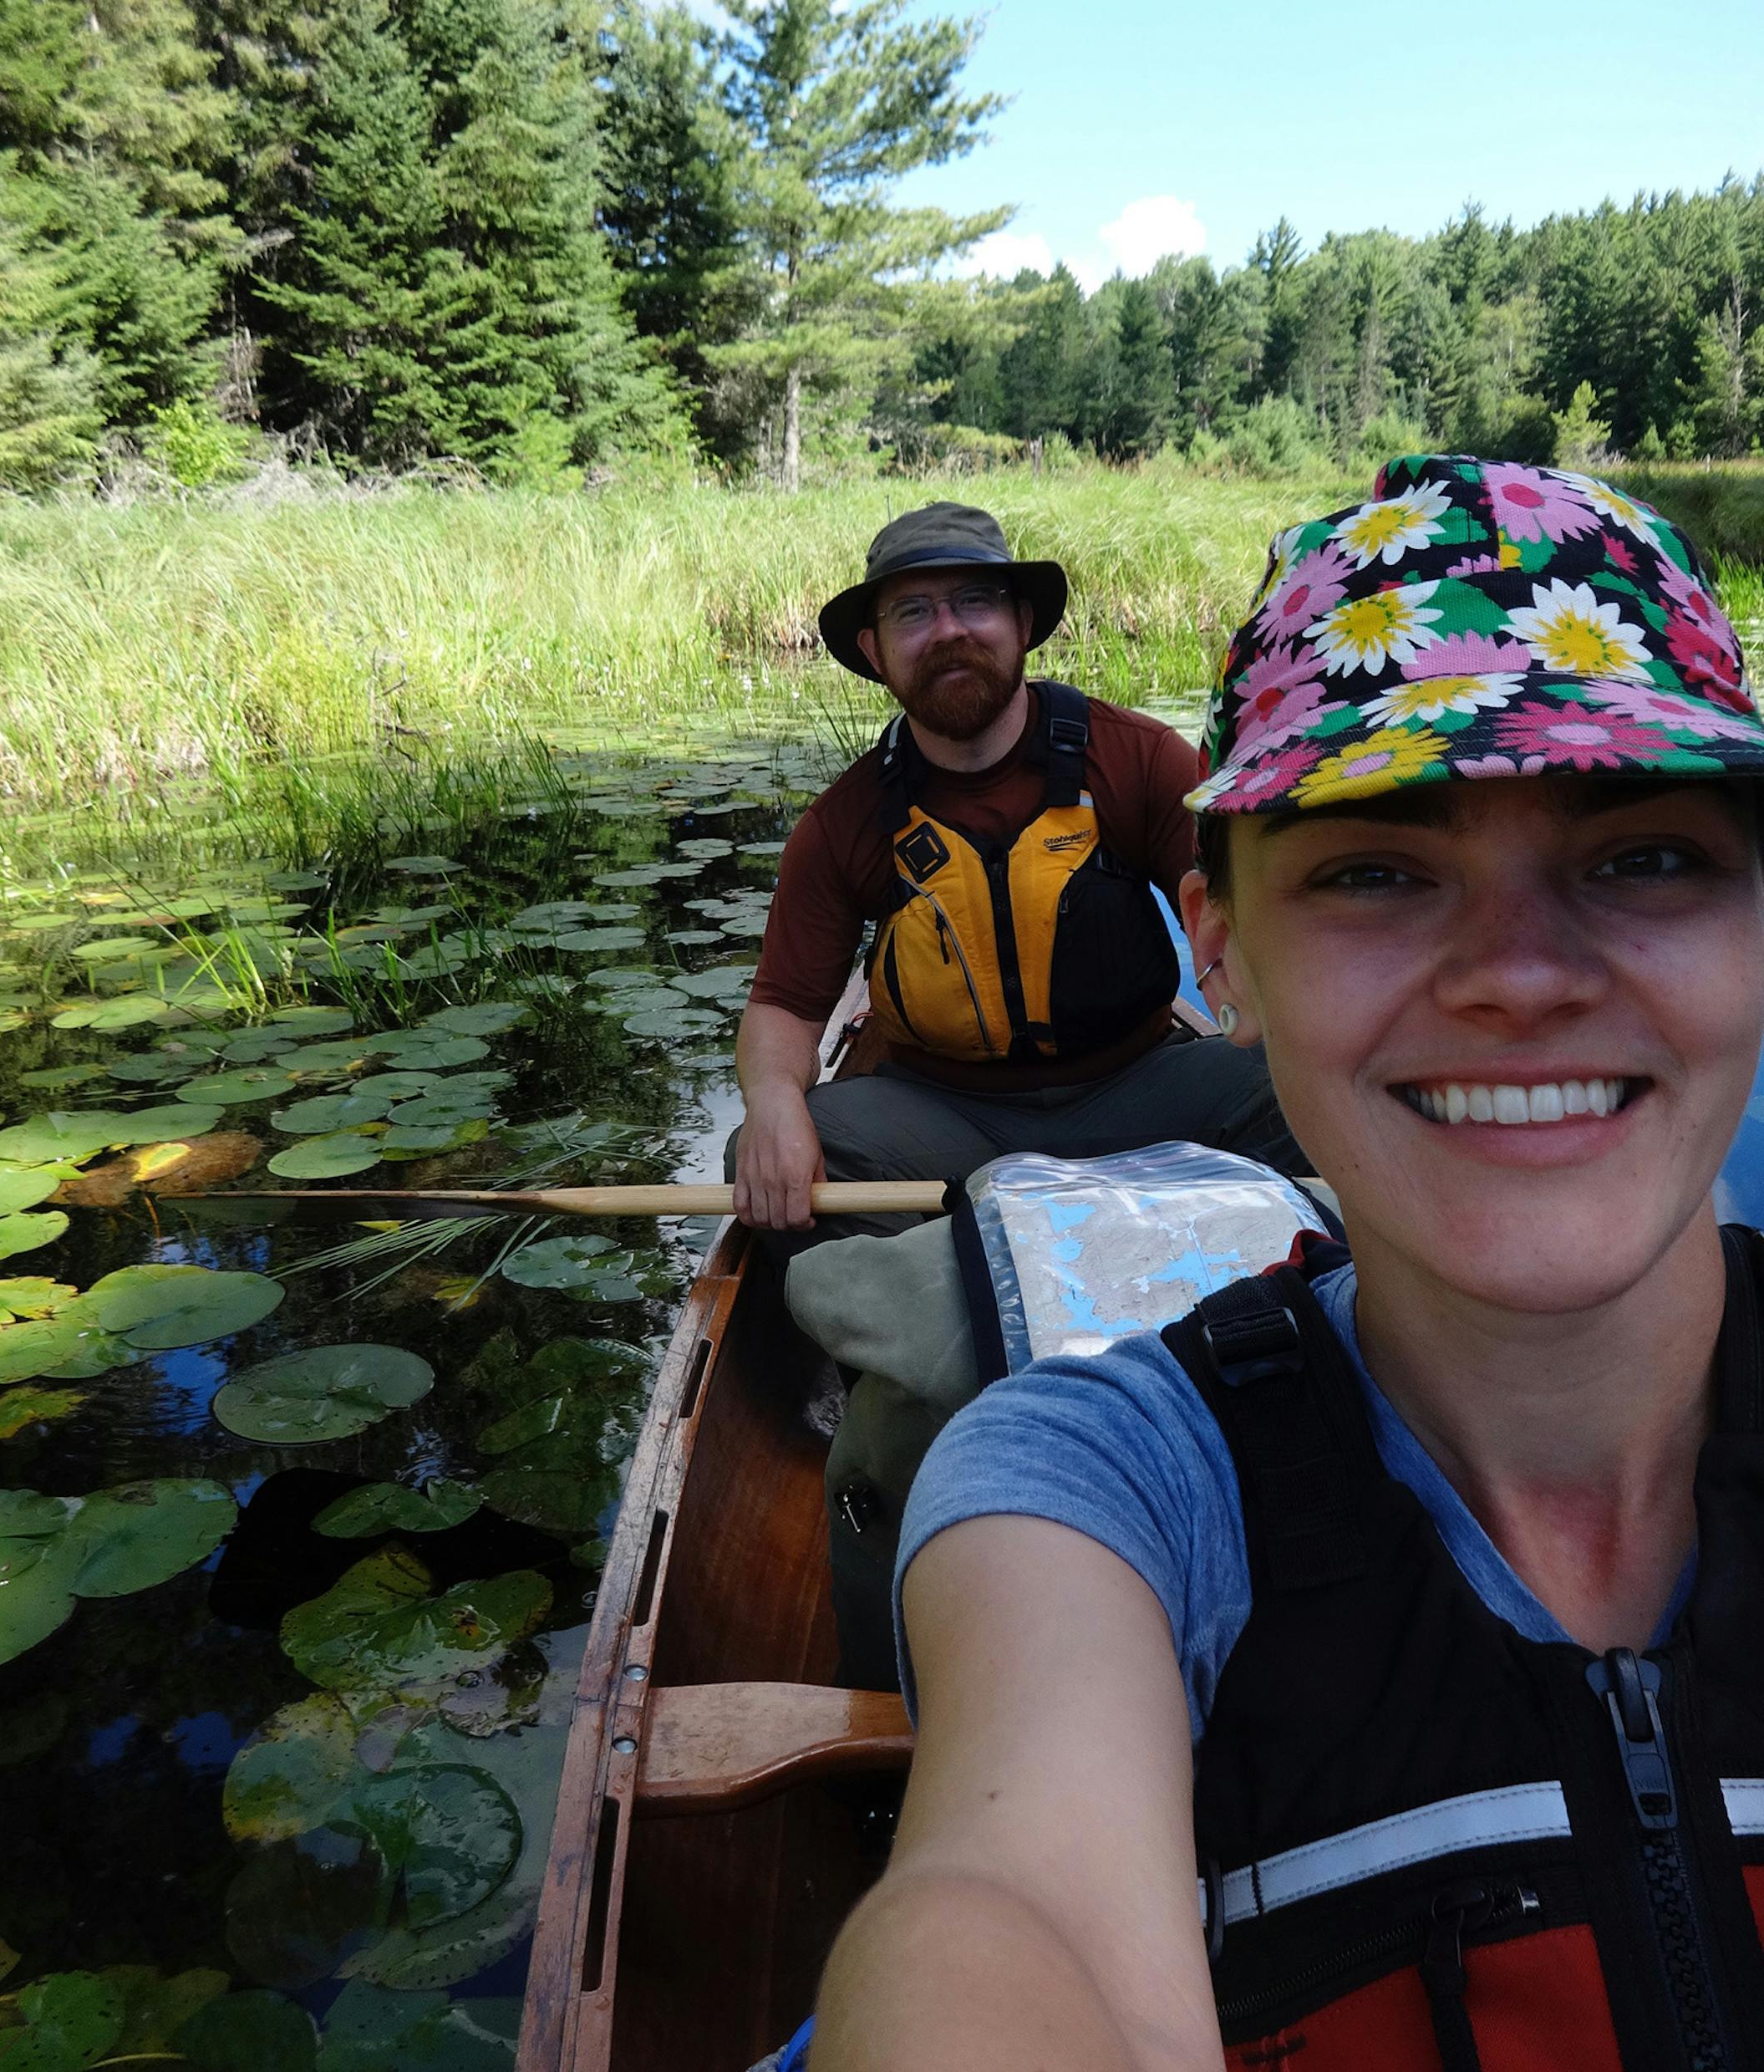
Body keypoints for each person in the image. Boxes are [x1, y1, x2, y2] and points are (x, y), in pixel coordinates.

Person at [809, 456, 1764, 2069]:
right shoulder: (1090, 1488)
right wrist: (785, 1116)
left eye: (1646, 854)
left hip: (1152, 1077)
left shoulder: (1113, 750)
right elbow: (1004, 1907)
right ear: (1227, 944)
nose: (1521, 978)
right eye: (1377, 869)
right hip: (950, 1104)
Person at [729, 501, 1302, 1249]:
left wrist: (1271, 1010)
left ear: (1023, 624)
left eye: (976, 601)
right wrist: (773, 1097)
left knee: (1306, 1081)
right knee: (771, 1156)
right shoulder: (844, 820)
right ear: (874, 650)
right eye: (913, 613)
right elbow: (783, 1005)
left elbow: (1250, 925)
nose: (949, 631)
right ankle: (956, 1305)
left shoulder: (1137, 759)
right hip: (943, 1121)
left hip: (1139, 1098)